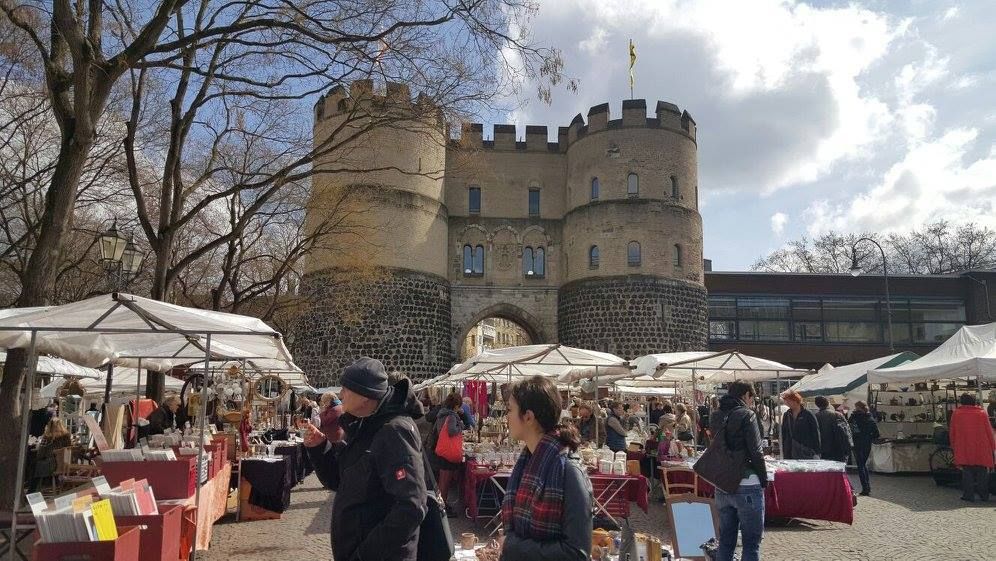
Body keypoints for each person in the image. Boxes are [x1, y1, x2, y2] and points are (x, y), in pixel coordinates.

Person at [303, 357, 428, 561]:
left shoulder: (395, 431)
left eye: (346, 389)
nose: (340, 394)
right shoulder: (365, 424)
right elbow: (340, 480)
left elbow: (412, 505)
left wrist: (364, 555)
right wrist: (320, 447)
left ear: (365, 397)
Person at [499, 375, 592, 561]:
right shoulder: (527, 462)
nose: (506, 416)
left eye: (509, 410)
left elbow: (576, 553)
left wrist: (512, 546)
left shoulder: (569, 470)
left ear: (528, 417)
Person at [709, 382, 767, 561]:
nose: (752, 401)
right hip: (747, 483)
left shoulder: (716, 415)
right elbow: (756, 451)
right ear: (745, 395)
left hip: (722, 483)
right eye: (752, 397)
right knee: (751, 543)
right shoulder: (747, 415)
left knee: (726, 541)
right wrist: (763, 479)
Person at [949, 393, 995, 502]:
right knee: (982, 472)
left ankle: (968, 495)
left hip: (964, 447)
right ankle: (984, 495)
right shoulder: (981, 413)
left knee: (967, 472)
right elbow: (989, 431)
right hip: (982, 447)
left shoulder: (957, 414)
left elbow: (952, 432)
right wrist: (993, 446)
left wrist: (953, 445)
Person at [426, 393, 465, 517]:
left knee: (442, 481)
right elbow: (452, 431)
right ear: (456, 405)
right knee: (445, 482)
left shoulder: (442, 413)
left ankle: (441, 505)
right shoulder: (452, 416)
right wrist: (461, 426)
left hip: (438, 451)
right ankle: (441, 508)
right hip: (446, 454)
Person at [29, 418, 73, 492]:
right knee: (37, 464)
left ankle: (32, 490)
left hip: (51, 465)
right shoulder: (67, 437)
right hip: (65, 465)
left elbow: (40, 454)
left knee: (34, 464)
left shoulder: (47, 437)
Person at [849, 401, 880, 496]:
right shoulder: (869, 417)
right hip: (867, 444)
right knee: (863, 464)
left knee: (861, 465)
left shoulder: (854, 417)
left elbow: (849, 429)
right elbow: (876, 434)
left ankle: (866, 488)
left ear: (857, 407)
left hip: (857, 443)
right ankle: (867, 487)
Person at [779, 390, 820, 459]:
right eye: (786, 401)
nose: (787, 403)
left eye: (788, 401)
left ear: (795, 400)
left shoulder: (808, 414)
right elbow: (784, 433)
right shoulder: (787, 414)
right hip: (789, 452)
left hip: (805, 452)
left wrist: (817, 452)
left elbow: (815, 433)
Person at [813, 395, 852, 462]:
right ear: (828, 403)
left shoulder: (815, 417)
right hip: (838, 449)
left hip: (823, 449)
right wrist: (848, 447)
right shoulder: (837, 415)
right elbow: (846, 432)